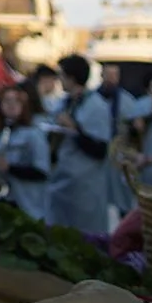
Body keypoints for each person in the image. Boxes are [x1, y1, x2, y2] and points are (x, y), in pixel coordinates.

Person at [45, 56, 117, 234]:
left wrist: (74, 128)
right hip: (62, 181)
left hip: (86, 187)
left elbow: (100, 150)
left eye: (61, 75)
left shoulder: (97, 105)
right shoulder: (63, 103)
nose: (59, 80)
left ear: (71, 77)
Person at [0, 84, 51, 221]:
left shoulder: (34, 134)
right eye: (6, 101)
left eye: (16, 101)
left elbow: (42, 171)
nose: (11, 105)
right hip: (3, 202)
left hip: (28, 206)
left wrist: (11, 168)